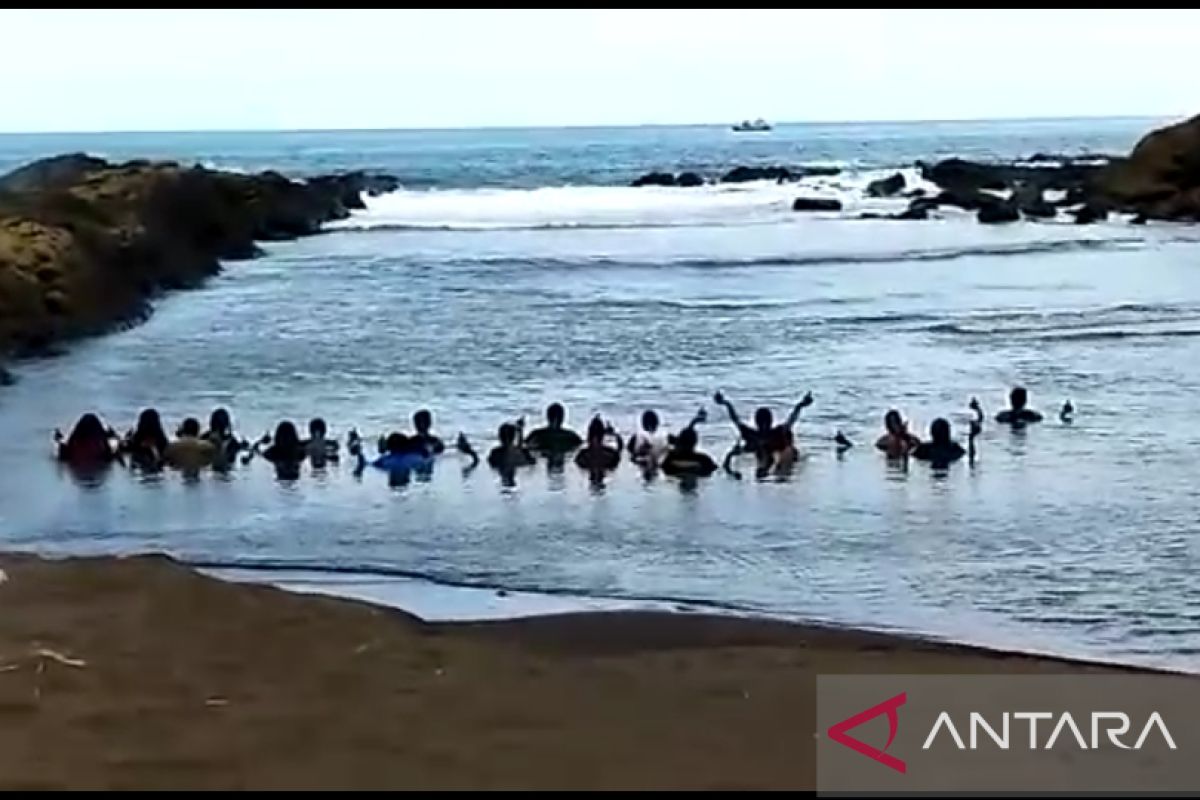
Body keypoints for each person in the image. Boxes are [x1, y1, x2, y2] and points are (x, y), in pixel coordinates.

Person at [713, 389, 813, 460]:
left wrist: (800, 406)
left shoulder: (775, 433)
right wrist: (726, 403)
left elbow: (792, 420)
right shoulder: (752, 434)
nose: (764, 425)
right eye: (762, 422)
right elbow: (735, 419)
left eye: (765, 422)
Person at [912, 417, 978, 468]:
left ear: (931, 433)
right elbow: (971, 455)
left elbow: (908, 456)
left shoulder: (924, 449)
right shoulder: (954, 448)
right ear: (948, 432)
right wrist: (971, 439)